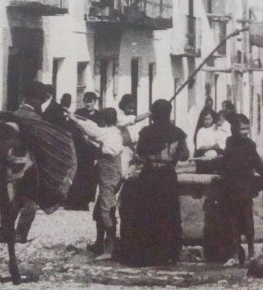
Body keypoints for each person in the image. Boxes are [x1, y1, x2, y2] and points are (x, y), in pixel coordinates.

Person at [118, 99, 189, 266]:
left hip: (149, 175)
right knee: (169, 213)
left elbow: (140, 153)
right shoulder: (178, 133)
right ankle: (169, 253)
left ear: (154, 114)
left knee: (147, 213)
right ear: (169, 113)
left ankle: (147, 253)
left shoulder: (146, 132)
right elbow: (185, 154)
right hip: (167, 175)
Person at [68, 107, 125, 260]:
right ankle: (99, 243)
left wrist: (74, 118)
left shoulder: (107, 132)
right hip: (110, 171)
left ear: (104, 121)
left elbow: (91, 130)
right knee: (100, 210)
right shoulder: (114, 132)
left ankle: (110, 248)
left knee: (106, 210)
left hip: (109, 172)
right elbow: (100, 141)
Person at [219, 114, 263, 266]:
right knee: (233, 225)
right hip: (232, 189)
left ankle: (251, 254)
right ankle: (234, 255)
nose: (245, 132)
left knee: (248, 223)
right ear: (234, 130)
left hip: (246, 189)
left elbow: (257, 162)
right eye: (242, 129)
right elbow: (225, 162)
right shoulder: (230, 142)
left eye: (247, 128)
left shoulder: (250, 144)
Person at [12, 81, 51, 243]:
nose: (41, 102)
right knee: (31, 200)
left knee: (15, 198)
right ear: (34, 100)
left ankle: (6, 228)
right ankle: (20, 233)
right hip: (29, 164)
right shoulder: (34, 118)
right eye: (40, 99)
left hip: (11, 161)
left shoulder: (14, 114)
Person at [66, 91, 103, 211]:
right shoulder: (78, 113)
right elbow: (72, 128)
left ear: (94, 102)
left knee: (91, 174)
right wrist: (81, 136)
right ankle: (76, 201)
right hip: (80, 147)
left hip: (93, 149)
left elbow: (101, 131)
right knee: (79, 172)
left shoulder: (99, 115)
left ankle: (86, 200)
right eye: (86, 101)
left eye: (90, 101)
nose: (88, 104)